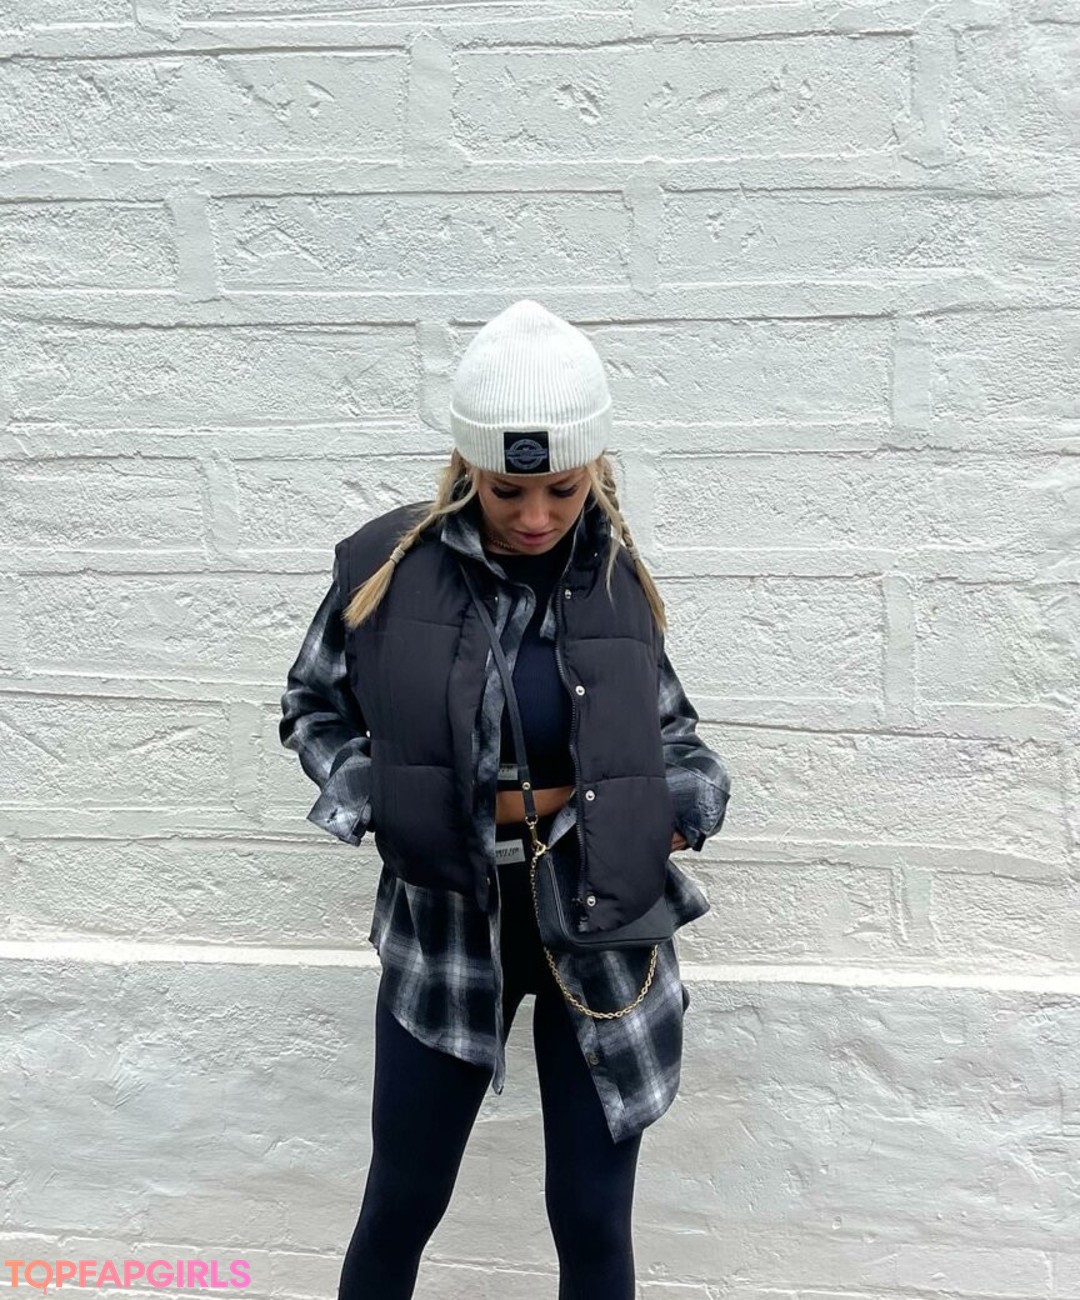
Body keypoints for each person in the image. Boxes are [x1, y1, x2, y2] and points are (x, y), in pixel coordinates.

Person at [279, 298, 732, 1300]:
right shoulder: (385, 568)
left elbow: (677, 735)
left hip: (602, 924)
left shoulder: (615, 577)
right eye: (506, 489)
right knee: (402, 1199)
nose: (534, 516)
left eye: (561, 489)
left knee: (591, 1217)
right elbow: (312, 704)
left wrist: (680, 806)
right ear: (467, 468)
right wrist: (377, 796)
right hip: (446, 925)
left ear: (594, 469)